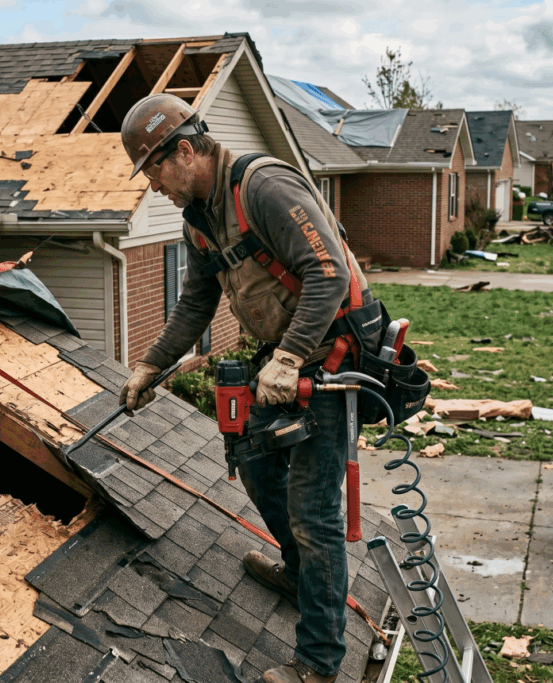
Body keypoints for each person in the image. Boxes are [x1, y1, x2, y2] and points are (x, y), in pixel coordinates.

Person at [117, 93, 372, 683]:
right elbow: (196, 301)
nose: (152, 186)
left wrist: (287, 358)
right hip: (282, 365)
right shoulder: (198, 219)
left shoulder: (262, 186)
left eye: (153, 169)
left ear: (183, 150)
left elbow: (327, 270)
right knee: (254, 462)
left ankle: (318, 663)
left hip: (330, 360)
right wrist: (151, 365)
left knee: (314, 514)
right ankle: (297, 570)